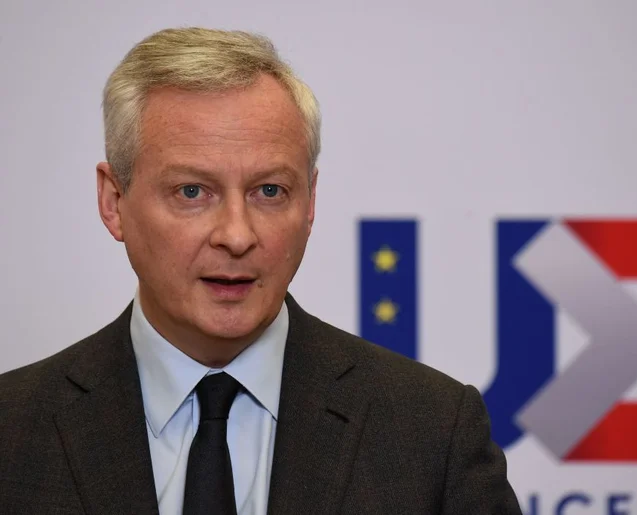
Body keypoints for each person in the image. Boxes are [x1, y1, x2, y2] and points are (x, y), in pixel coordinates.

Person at [0, 27, 521, 514]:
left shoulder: (434, 432)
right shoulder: (11, 428)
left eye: (269, 191)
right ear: (114, 201)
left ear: (310, 202)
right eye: (191, 192)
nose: (237, 234)